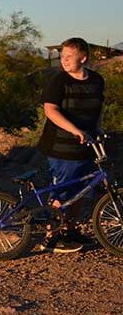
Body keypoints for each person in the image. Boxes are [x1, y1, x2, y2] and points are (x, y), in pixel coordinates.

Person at [36, 37, 105, 253]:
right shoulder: (59, 81)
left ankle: (70, 231)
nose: (63, 60)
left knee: (81, 191)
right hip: (61, 147)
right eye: (62, 56)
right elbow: (50, 110)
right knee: (62, 192)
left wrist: (98, 128)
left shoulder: (96, 80)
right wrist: (75, 130)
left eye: (68, 57)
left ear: (83, 58)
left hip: (87, 145)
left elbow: (98, 108)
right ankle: (51, 237)